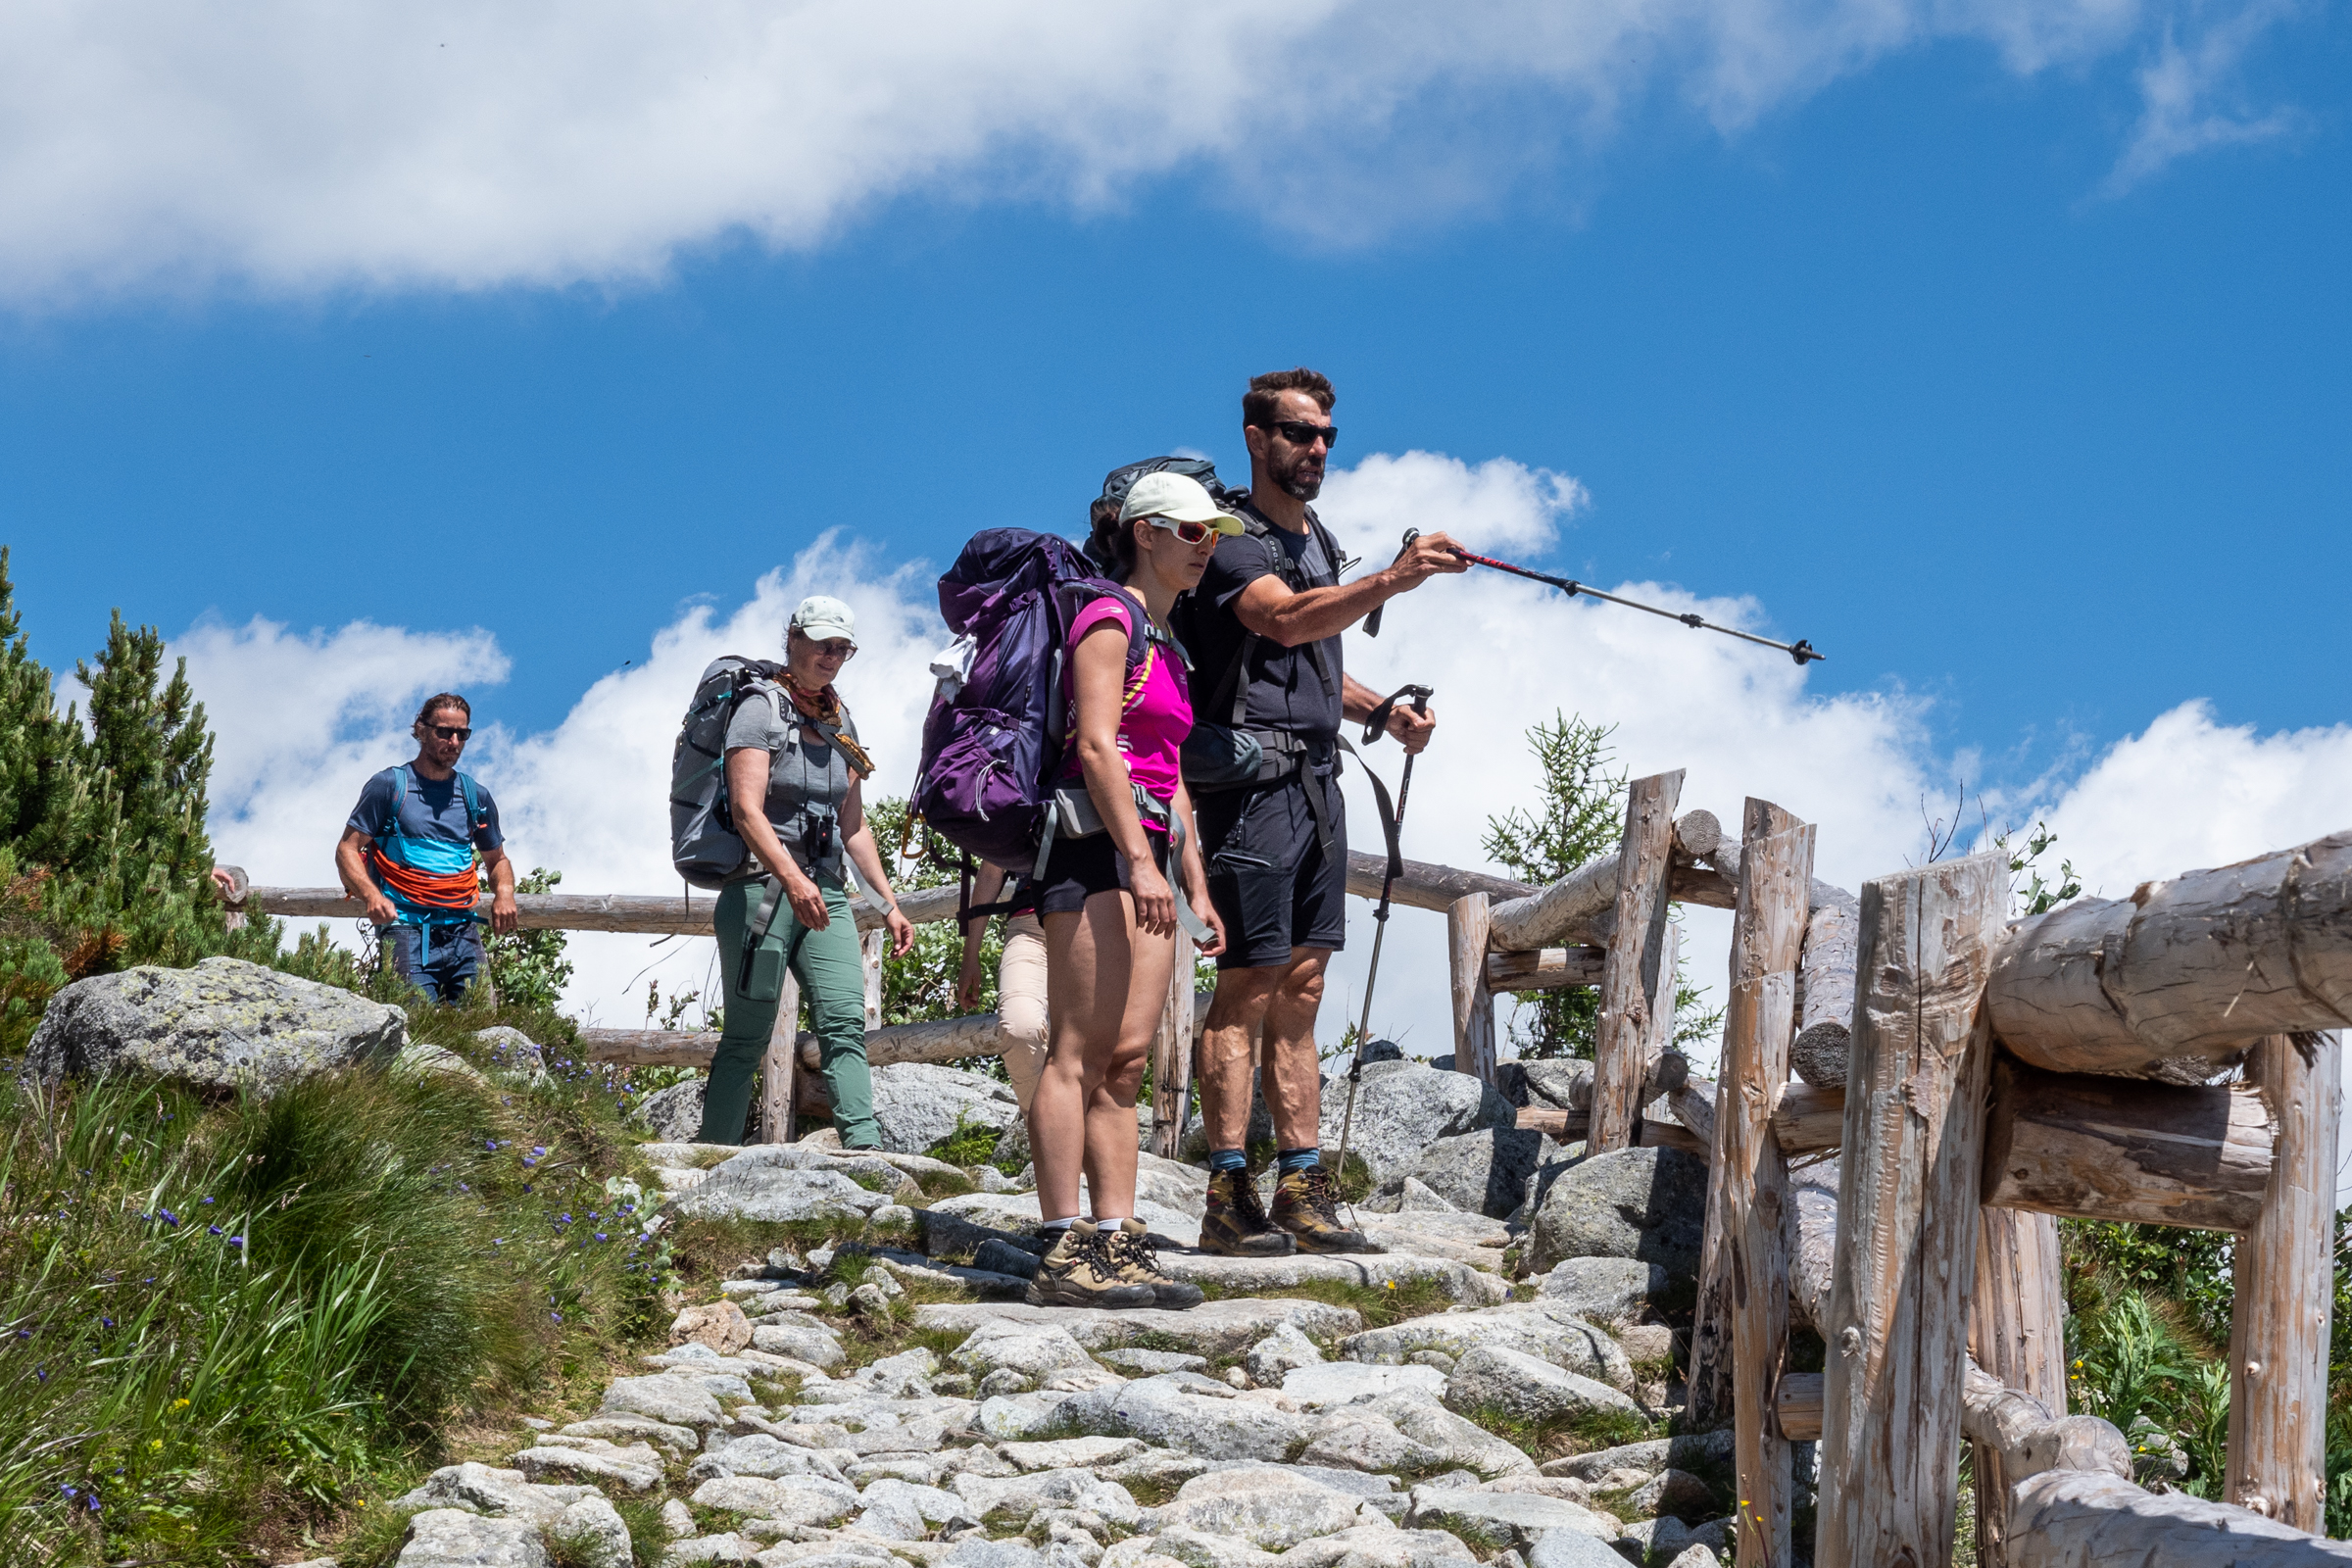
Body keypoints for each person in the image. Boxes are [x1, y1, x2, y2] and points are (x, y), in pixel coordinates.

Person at [1182, 368, 1467, 1255]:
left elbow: (1310, 657)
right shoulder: (1231, 539)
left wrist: (1378, 709)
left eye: (1326, 437)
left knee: (1302, 989)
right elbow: (1283, 624)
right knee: (1247, 985)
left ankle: (1301, 1188)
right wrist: (1395, 579)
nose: (1316, 450)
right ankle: (1228, 1194)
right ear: (1256, 439)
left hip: (1315, 782)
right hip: (1248, 790)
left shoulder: (1315, 537)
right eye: (1299, 434)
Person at [1021, 473, 1231, 1308]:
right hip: (1089, 850)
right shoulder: (1106, 619)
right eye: (1191, 531)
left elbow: (1169, 771)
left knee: (1128, 1060)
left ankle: (1119, 1238)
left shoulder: (1168, 640)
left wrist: (1194, 884)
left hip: (1145, 852)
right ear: (1144, 533)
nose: (1206, 545)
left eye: (1212, 533)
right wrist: (1139, 864)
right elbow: (1100, 749)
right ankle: (1060, 1246)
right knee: (1076, 1049)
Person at [699, 596, 916, 1148]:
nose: (831, 656)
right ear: (792, 637)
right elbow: (747, 809)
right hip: (760, 892)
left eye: (842, 648)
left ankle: (864, 1151)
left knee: (844, 1023)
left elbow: (853, 826)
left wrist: (889, 904)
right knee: (747, 1038)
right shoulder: (759, 708)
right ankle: (711, 1156)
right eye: (822, 644)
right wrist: (792, 881)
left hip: (826, 891)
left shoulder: (840, 719)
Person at [337, 693, 518, 1003]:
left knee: (483, 1033)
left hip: (463, 933)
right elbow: (347, 850)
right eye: (444, 732)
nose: (454, 742)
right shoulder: (389, 786)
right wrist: (371, 896)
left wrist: (504, 893)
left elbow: (497, 859)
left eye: (462, 734)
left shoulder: (476, 795)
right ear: (421, 730)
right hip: (405, 932)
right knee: (413, 1032)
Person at [956, 860, 1048, 1120]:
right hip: (1031, 923)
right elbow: (991, 868)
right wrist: (971, 953)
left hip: (1100, 922)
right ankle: (1043, 1131)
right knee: (1020, 1028)